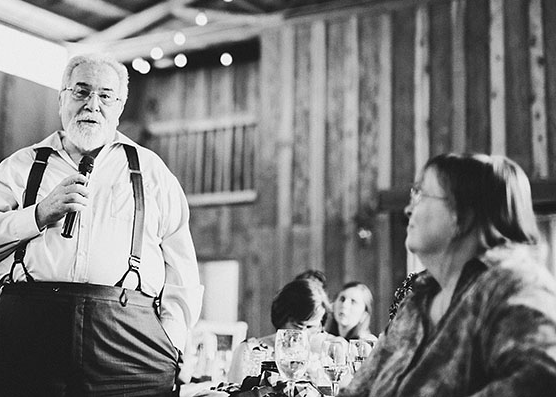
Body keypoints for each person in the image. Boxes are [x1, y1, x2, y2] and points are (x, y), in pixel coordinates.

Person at [0, 53, 203, 396]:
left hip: (129, 345)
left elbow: (182, 271)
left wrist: (171, 340)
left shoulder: (152, 172)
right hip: (30, 336)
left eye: (105, 96)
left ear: (120, 105)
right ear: (62, 98)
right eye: (81, 92)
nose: (92, 105)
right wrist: (38, 214)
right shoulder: (20, 167)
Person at [340, 153, 556, 397]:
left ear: (462, 216)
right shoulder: (417, 299)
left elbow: (545, 378)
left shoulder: (514, 282)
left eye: (421, 194)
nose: (409, 209)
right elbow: (359, 389)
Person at [227, 273, 332, 385]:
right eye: (298, 326)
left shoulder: (324, 355)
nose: (303, 334)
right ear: (282, 318)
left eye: (311, 327)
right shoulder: (249, 351)